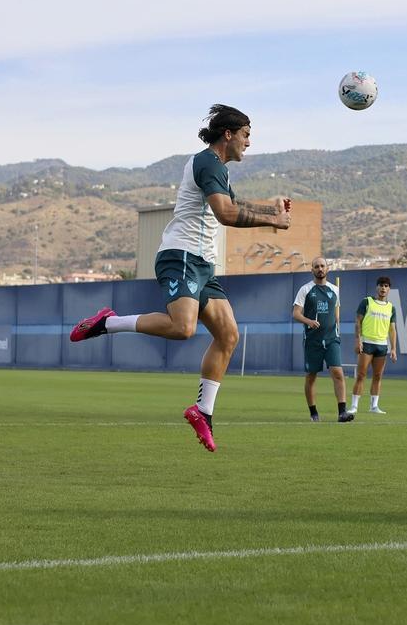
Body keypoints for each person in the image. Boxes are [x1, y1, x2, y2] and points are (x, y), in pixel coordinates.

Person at [69, 104, 291, 453]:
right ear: (228, 134)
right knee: (182, 328)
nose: (249, 143)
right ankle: (107, 324)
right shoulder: (206, 162)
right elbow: (226, 212)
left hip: (203, 264)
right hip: (181, 256)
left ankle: (202, 410)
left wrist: (271, 210)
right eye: (246, 135)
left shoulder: (218, 169)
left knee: (229, 335)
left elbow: (234, 201)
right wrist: (272, 221)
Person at [293, 257, 354, 423]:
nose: (320, 269)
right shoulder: (305, 289)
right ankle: (313, 413)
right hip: (313, 340)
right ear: (312, 270)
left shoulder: (335, 289)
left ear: (328, 269)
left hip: (332, 339)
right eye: (316, 266)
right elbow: (296, 313)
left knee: (337, 372)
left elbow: (336, 314)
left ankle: (342, 412)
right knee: (311, 376)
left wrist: (337, 329)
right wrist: (309, 322)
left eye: (322, 266)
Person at [348, 275, 398, 415]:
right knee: (361, 375)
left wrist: (393, 348)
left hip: (381, 346)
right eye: (381, 285)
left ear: (389, 289)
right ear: (377, 287)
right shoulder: (367, 302)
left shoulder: (391, 308)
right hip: (367, 343)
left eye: (386, 286)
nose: (383, 288)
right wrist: (358, 340)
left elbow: (392, 329)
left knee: (377, 376)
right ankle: (354, 406)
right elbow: (358, 322)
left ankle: (374, 406)